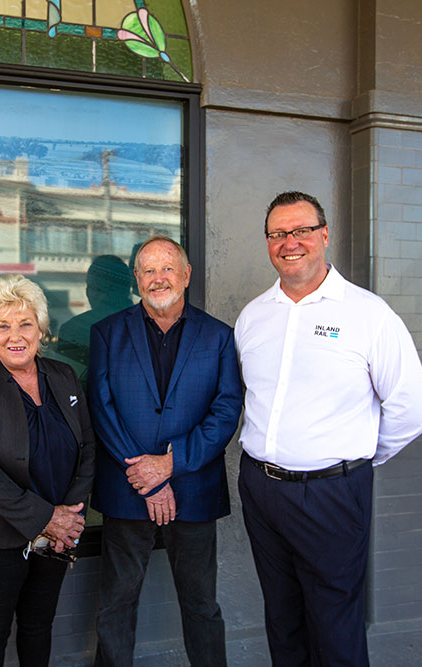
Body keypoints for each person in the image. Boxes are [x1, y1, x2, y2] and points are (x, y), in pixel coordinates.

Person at [234, 191, 422, 667]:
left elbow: (414, 409)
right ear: (267, 243)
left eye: (301, 230)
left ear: (324, 235)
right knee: (282, 621)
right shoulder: (252, 316)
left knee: (335, 627)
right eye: (278, 233)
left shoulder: (367, 314)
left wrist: (357, 460)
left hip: (333, 493)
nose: (290, 243)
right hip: (261, 489)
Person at [87, 235, 243, 666]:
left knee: (201, 605)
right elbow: (102, 409)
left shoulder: (219, 337)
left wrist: (171, 464)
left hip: (193, 489)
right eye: (148, 270)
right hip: (128, 489)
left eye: (168, 268)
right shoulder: (107, 333)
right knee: (116, 604)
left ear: (187, 275)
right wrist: (146, 477)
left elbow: (226, 411)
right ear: (136, 279)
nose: (159, 279)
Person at [0, 274, 95, 667]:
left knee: (38, 626)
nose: (15, 335)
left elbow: (87, 448)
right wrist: (48, 519)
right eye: (3, 326)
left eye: (25, 323)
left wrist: (70, 518)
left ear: (42, 329)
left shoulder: (62, 377)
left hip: (58, 535)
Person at [56, 254, 133, 377]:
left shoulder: (74, 329)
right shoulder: (150, 324)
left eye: (92, 287)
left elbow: (66, 382)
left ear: (111, 290)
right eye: (88, 287)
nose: (89, 293)